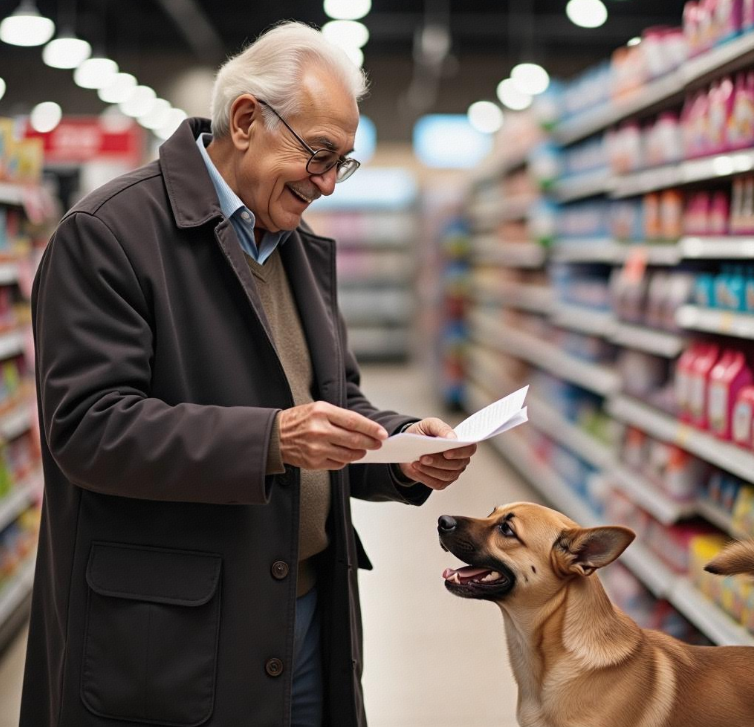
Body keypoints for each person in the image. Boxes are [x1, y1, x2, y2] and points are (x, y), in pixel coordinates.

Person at [19, 21, 478, 727]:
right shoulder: (109, 234)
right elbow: (88, 428)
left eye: (341, 164)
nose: (327, 184)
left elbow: (332, 402)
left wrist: (406, 449)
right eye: (318, 155)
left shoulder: (295, 246)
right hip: (171, 637)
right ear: (244, 121)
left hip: (303, 617)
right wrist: (272, 439)